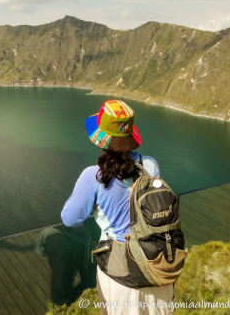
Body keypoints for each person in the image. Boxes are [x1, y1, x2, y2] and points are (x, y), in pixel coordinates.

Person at [61, 100, 173, 315]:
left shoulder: (94, 176)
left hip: (120, 270)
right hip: (158, 263)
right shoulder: (151, 165)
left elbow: (70, 219)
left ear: (102, 139)